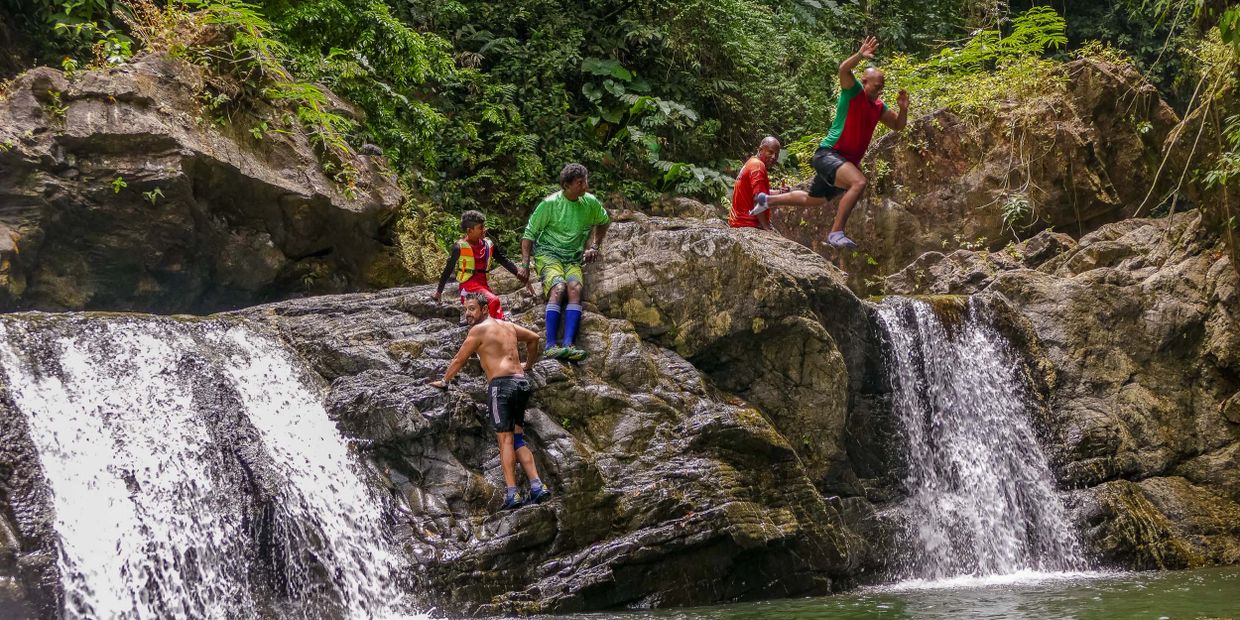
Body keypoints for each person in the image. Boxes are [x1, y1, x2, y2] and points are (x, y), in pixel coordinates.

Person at [751, 36, 909, 249]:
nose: (880, 90)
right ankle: (836, 233)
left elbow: (898, 125)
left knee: (814, 200)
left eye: (883, 87)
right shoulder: (853, 92)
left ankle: (766, 200)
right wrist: (860, 55)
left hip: (842, 161)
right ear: (865, 82)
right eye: (877, 86)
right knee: (859, 182)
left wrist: (904, 109)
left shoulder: (879, 107)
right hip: (828, 154)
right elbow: (844, 69)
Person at [429, 292, 550, 510]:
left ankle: (513, 494)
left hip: (501, 386)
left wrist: (445, 381)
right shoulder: (509, 326)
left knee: (505, 440)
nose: (468, 313)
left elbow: (459, 359)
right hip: (521, 384)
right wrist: (527, 365)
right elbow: (534, 338)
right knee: (518, 438)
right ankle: (537, 486)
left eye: (472, 308)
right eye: (466, 309)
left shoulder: (478, 330)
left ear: (485, 309)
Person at [517, 163, 610, 362]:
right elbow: (529, 235)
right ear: (566, 185)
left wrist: (594, 246)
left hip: (573, 257)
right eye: (579, 183)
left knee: (574, 288)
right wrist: (525, 265)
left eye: (585, 181)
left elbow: (603, 221)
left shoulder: (590, 202)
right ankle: (550, 345)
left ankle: (569, 344)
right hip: (548, 254)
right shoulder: (550, 204)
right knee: (558, 288)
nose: (585, 186)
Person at [432, 210, 528, 320]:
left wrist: (519, 273)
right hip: (468, 289)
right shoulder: (459, 247)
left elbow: (503, 260)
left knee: (493, 308)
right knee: (493, 301)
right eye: (481, 227)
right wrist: (439, 292)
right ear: (469, 230)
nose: (484, 230)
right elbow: (448, 270)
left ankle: (499, 328)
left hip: (483, 286)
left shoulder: (488, 244)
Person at [730, 136, 786, 230]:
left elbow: (759, 193)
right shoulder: (758, 166)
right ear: (760, 149)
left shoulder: (752, 162)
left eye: (776, 154)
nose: (774, 157)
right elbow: (757, 198)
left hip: (739, 221)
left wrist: (779, 192)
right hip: (746, 223)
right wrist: (766, 227)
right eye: (770, 152)